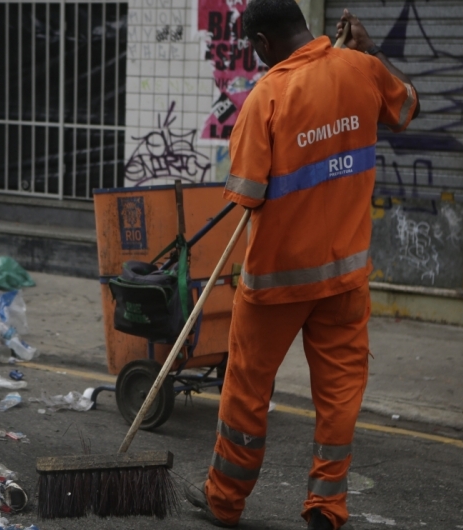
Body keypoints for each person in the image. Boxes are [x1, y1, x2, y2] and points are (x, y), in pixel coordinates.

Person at [183, 2, 419, 529]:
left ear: (264, 43)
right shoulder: (362, 69)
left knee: (246, 393)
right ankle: (326, 508)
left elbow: (246, 191)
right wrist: (372, 49)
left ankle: (224, 503)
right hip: (344, 279)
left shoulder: (266, 95)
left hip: (275, 283)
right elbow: (408, 109)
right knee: (338, 398)